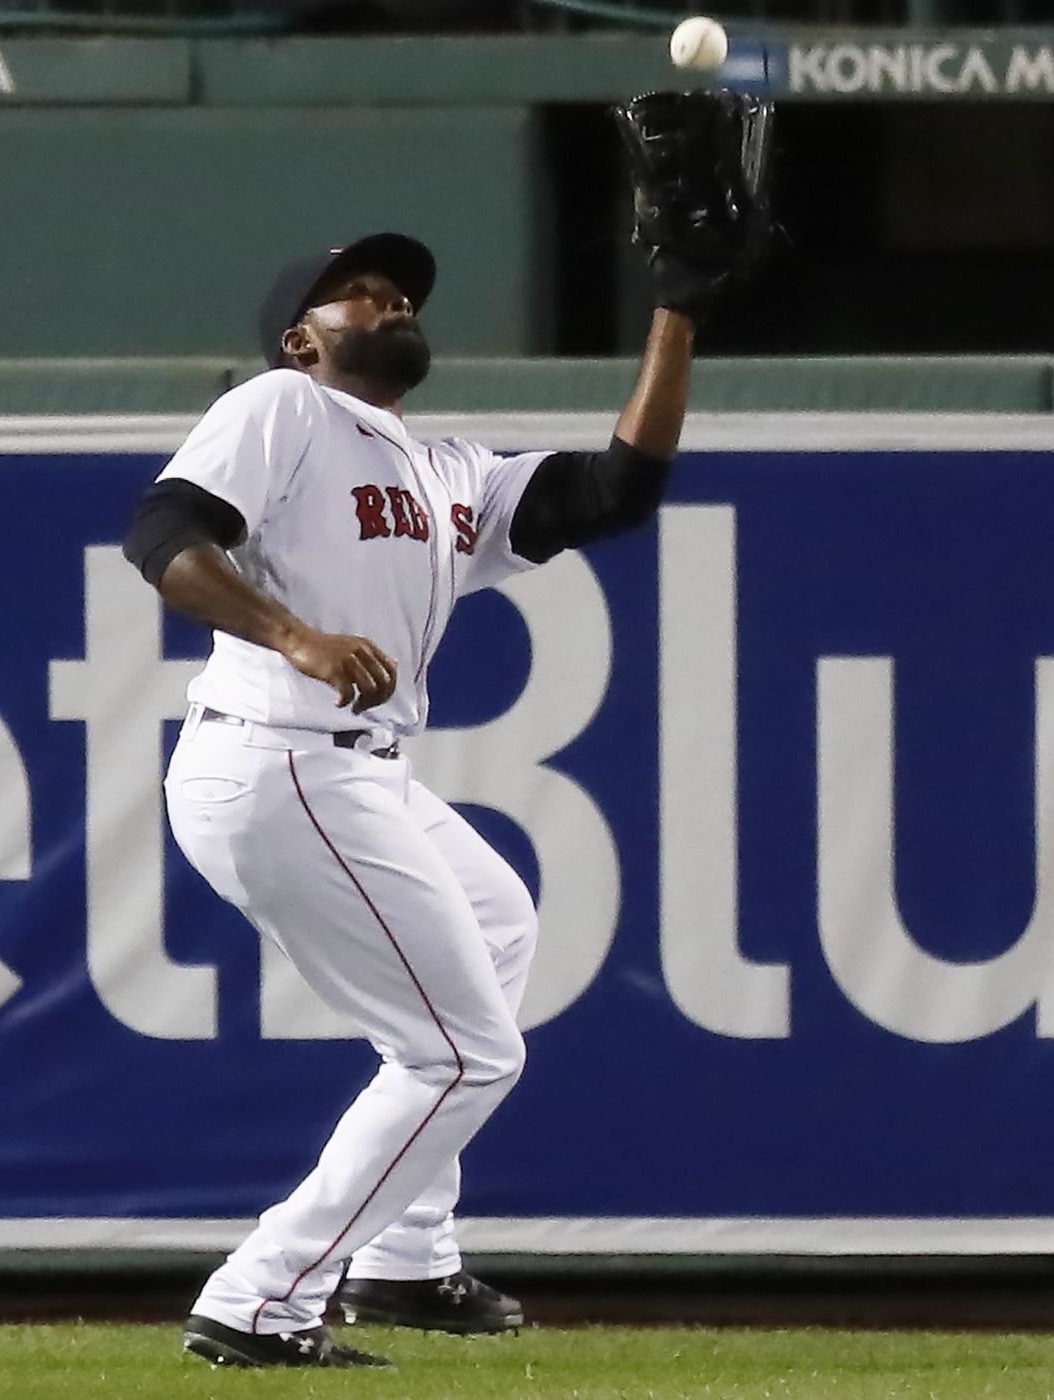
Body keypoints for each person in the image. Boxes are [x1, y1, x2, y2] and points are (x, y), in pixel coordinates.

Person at [122, 231, 695, 1369]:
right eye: (356, 291)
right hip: (279, 752)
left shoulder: (443, 473)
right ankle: (261, 1297)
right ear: (302, 337)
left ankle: (407, 1256)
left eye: (400, 290)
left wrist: (676, 308)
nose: (387, 297)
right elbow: (163, 538)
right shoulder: (284, 405)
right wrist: (296, 634)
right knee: (465, 1055)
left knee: (500, 921)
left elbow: (618, 489)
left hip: (349, 769)